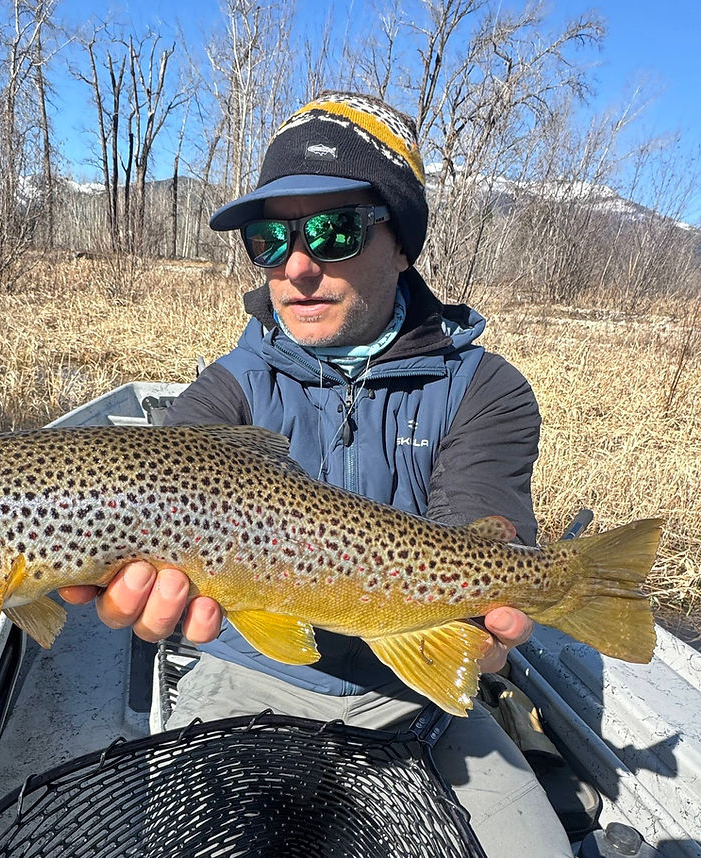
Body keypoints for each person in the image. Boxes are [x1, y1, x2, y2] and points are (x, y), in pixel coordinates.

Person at [60, 91, 572, 856]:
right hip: (243, 680)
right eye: (270, 239)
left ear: (402, 244)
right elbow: (153, 508)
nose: (297, 267)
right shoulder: (224, 392)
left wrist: (486, 624)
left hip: (415, 696)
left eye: (333, 232)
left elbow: (482, 539)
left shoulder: (487, 391)